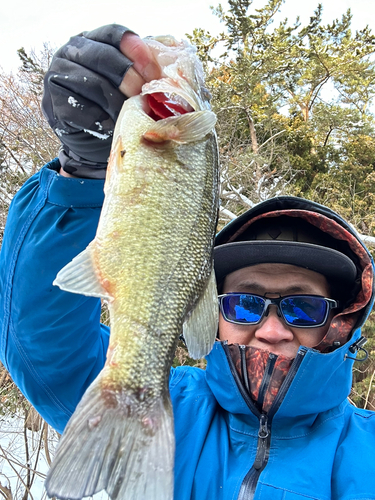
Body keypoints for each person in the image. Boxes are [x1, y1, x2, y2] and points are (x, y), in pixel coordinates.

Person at [0, 24, 374, 500]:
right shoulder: (169, 404)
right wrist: (81, 171)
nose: (272, 330)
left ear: (338, 324)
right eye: (242, 304)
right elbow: (43, 347)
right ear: (210, 312)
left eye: (303, 309)